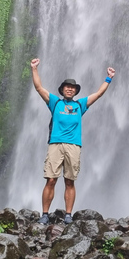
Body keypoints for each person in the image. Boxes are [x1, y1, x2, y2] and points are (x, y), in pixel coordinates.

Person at [30, 58, 116, 225]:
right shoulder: (55, 103)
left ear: (75, 91)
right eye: (67, 87)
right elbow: (39, 88)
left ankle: (68, 215)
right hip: (55, 144)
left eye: (72, 87)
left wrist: (109, 78)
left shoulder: (80, 105)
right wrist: (34, 69)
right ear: (62, 90)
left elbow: (98, 94)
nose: (69, 89)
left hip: (74, 146)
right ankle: (45, 214)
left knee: (70, 181)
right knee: (51, 179)